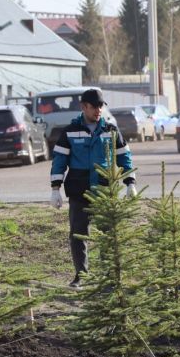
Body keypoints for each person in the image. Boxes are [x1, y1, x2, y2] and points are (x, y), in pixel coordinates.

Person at [50, 88, 137, 288]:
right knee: (78, 234)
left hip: (105, 190)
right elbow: (59, 160)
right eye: (94, 106)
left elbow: (124, 156)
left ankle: (109, 276)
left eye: (100, 106)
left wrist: (130, 182)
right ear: (83, 107)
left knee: (108, 234)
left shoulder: (110, 130)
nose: (98, 110)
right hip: (79, 191)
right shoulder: (70, 132)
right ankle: (82, 275)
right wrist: (55, 188)